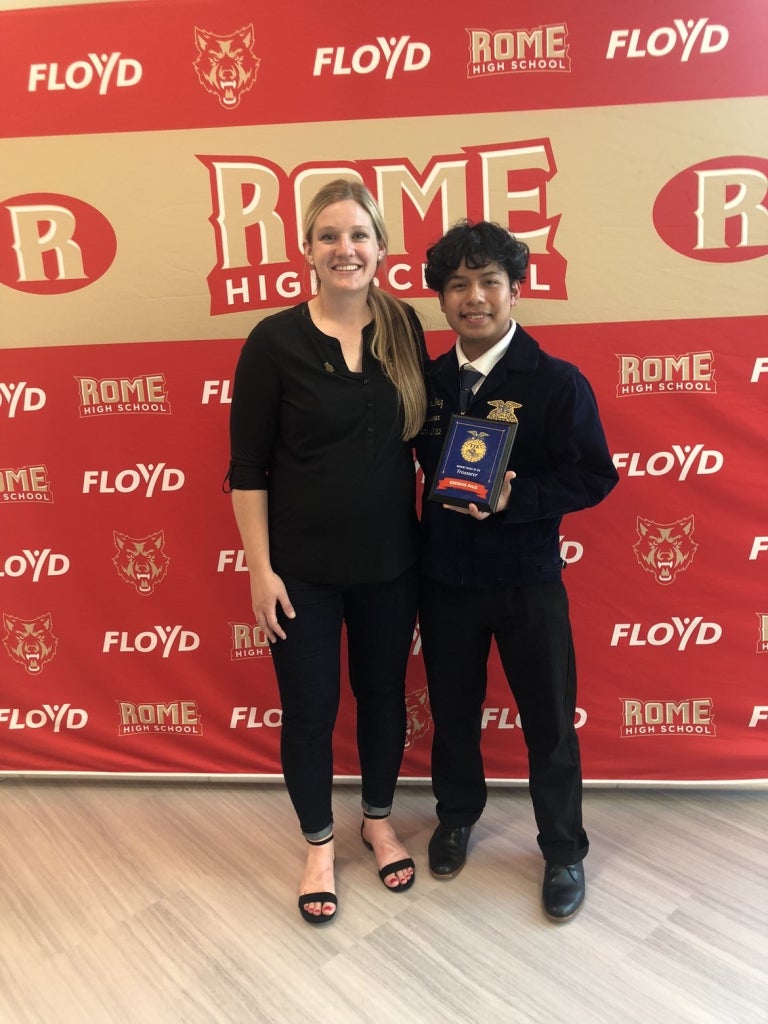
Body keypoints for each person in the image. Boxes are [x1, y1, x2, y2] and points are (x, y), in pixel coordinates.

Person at [227, 179, 427, 925]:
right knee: (309, 712)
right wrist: (260, 568)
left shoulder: (405, 326)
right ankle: (318, 844)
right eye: (331, 236)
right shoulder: (272, 340)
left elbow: (427, 441)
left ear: (380, 248)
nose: (347, 249)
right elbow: (248, 468)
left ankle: (377, 821)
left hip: (391, 565)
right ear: (306, 249)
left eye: (360, 235)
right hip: (301, 573)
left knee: (382, 700)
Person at [415, 221, 619, 922]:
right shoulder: (428, 382)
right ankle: (456, 816)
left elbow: (595, 475)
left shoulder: (557, 382)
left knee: (550, 723)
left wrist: (516, 498)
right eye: (458, 285)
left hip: (528, 577)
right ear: (441, 299)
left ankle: (563, 849)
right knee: (452, 715)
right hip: (443, 579)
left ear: (515, 290)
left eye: (488, 282)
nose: (474, 297)